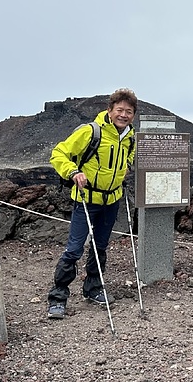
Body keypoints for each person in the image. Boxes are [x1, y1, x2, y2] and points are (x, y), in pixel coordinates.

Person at [46, 88, 138, 319]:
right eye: (120, 110)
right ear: (110, 110)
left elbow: (128, 158)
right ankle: (58, 297)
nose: (124, 115)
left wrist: (124, 169)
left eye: (128, 111)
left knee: (100, 246)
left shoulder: (130, 137)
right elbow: (59, 153)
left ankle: (93, 288)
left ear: (133, 115)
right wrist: (74, 172)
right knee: (75, 248)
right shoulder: (91, 132)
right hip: (86, 199)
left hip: (112, 200)